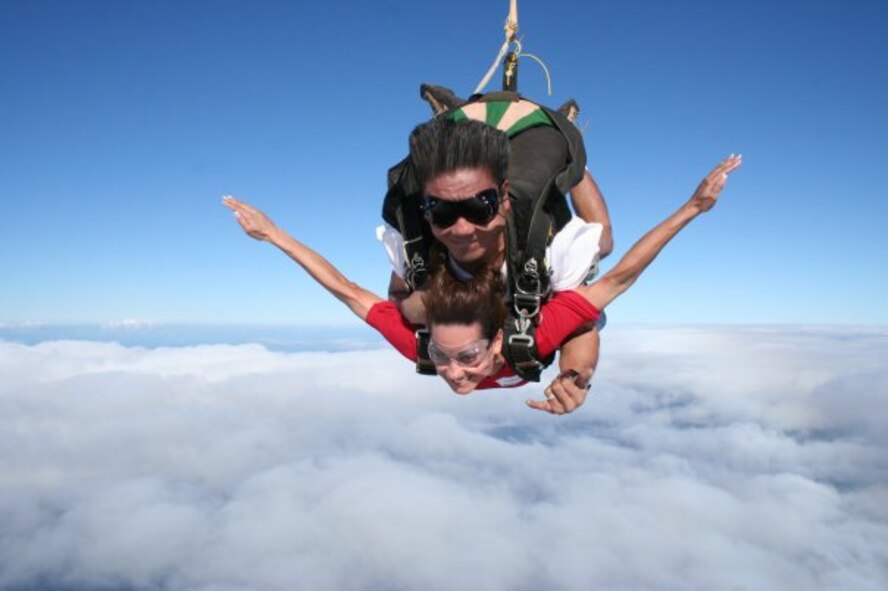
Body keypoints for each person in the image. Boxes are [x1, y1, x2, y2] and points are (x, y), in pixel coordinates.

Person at [222, 154, 742, 411]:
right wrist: (272, 234)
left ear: (496, 340)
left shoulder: (430, 347)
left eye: (464, 358)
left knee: (600, 244)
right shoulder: (517, 340)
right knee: (410, 299)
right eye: (449, 359)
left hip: (498, 280)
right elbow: (340, 287)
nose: (451, 372)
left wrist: (694, 208)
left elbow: (623, 271)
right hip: (484, 286)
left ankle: (570, 161)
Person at [379, 115, 612, 413]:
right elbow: (398, 295)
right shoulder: (413, 246)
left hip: (531, 242)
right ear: (424, 212)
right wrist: (421, 305)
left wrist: (576, 372)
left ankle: (571, 156)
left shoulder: (554, 251)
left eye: (479, 207)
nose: (462, 228)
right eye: (440, 210)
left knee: (602, 242)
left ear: (503, 198)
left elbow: (582, 324)